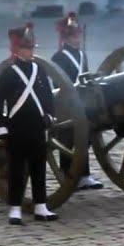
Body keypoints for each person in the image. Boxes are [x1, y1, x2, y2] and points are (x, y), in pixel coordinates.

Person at [0, 23, 59, 225]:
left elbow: (47, 96)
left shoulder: (39, 71)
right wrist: (1, 124)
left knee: (39, 167)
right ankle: (15, 208)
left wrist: (49, 115)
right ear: (16, 49)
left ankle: (41, 205)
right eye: (25, 48)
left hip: (37, 126)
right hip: (17, 126)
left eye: (31, 48)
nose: (29, 52)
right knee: (17, 170)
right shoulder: (9, 73)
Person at [51, 12, 102, 190]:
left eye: (78, 34)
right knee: (68, 139)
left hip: (83, 101)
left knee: (85, 136)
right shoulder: (58, 58)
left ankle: (84, 175)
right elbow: (57, 82)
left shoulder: (82, 56)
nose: (77, 37)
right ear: (65, 37)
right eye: (73, 35)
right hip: (66, 104)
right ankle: (68, 173)